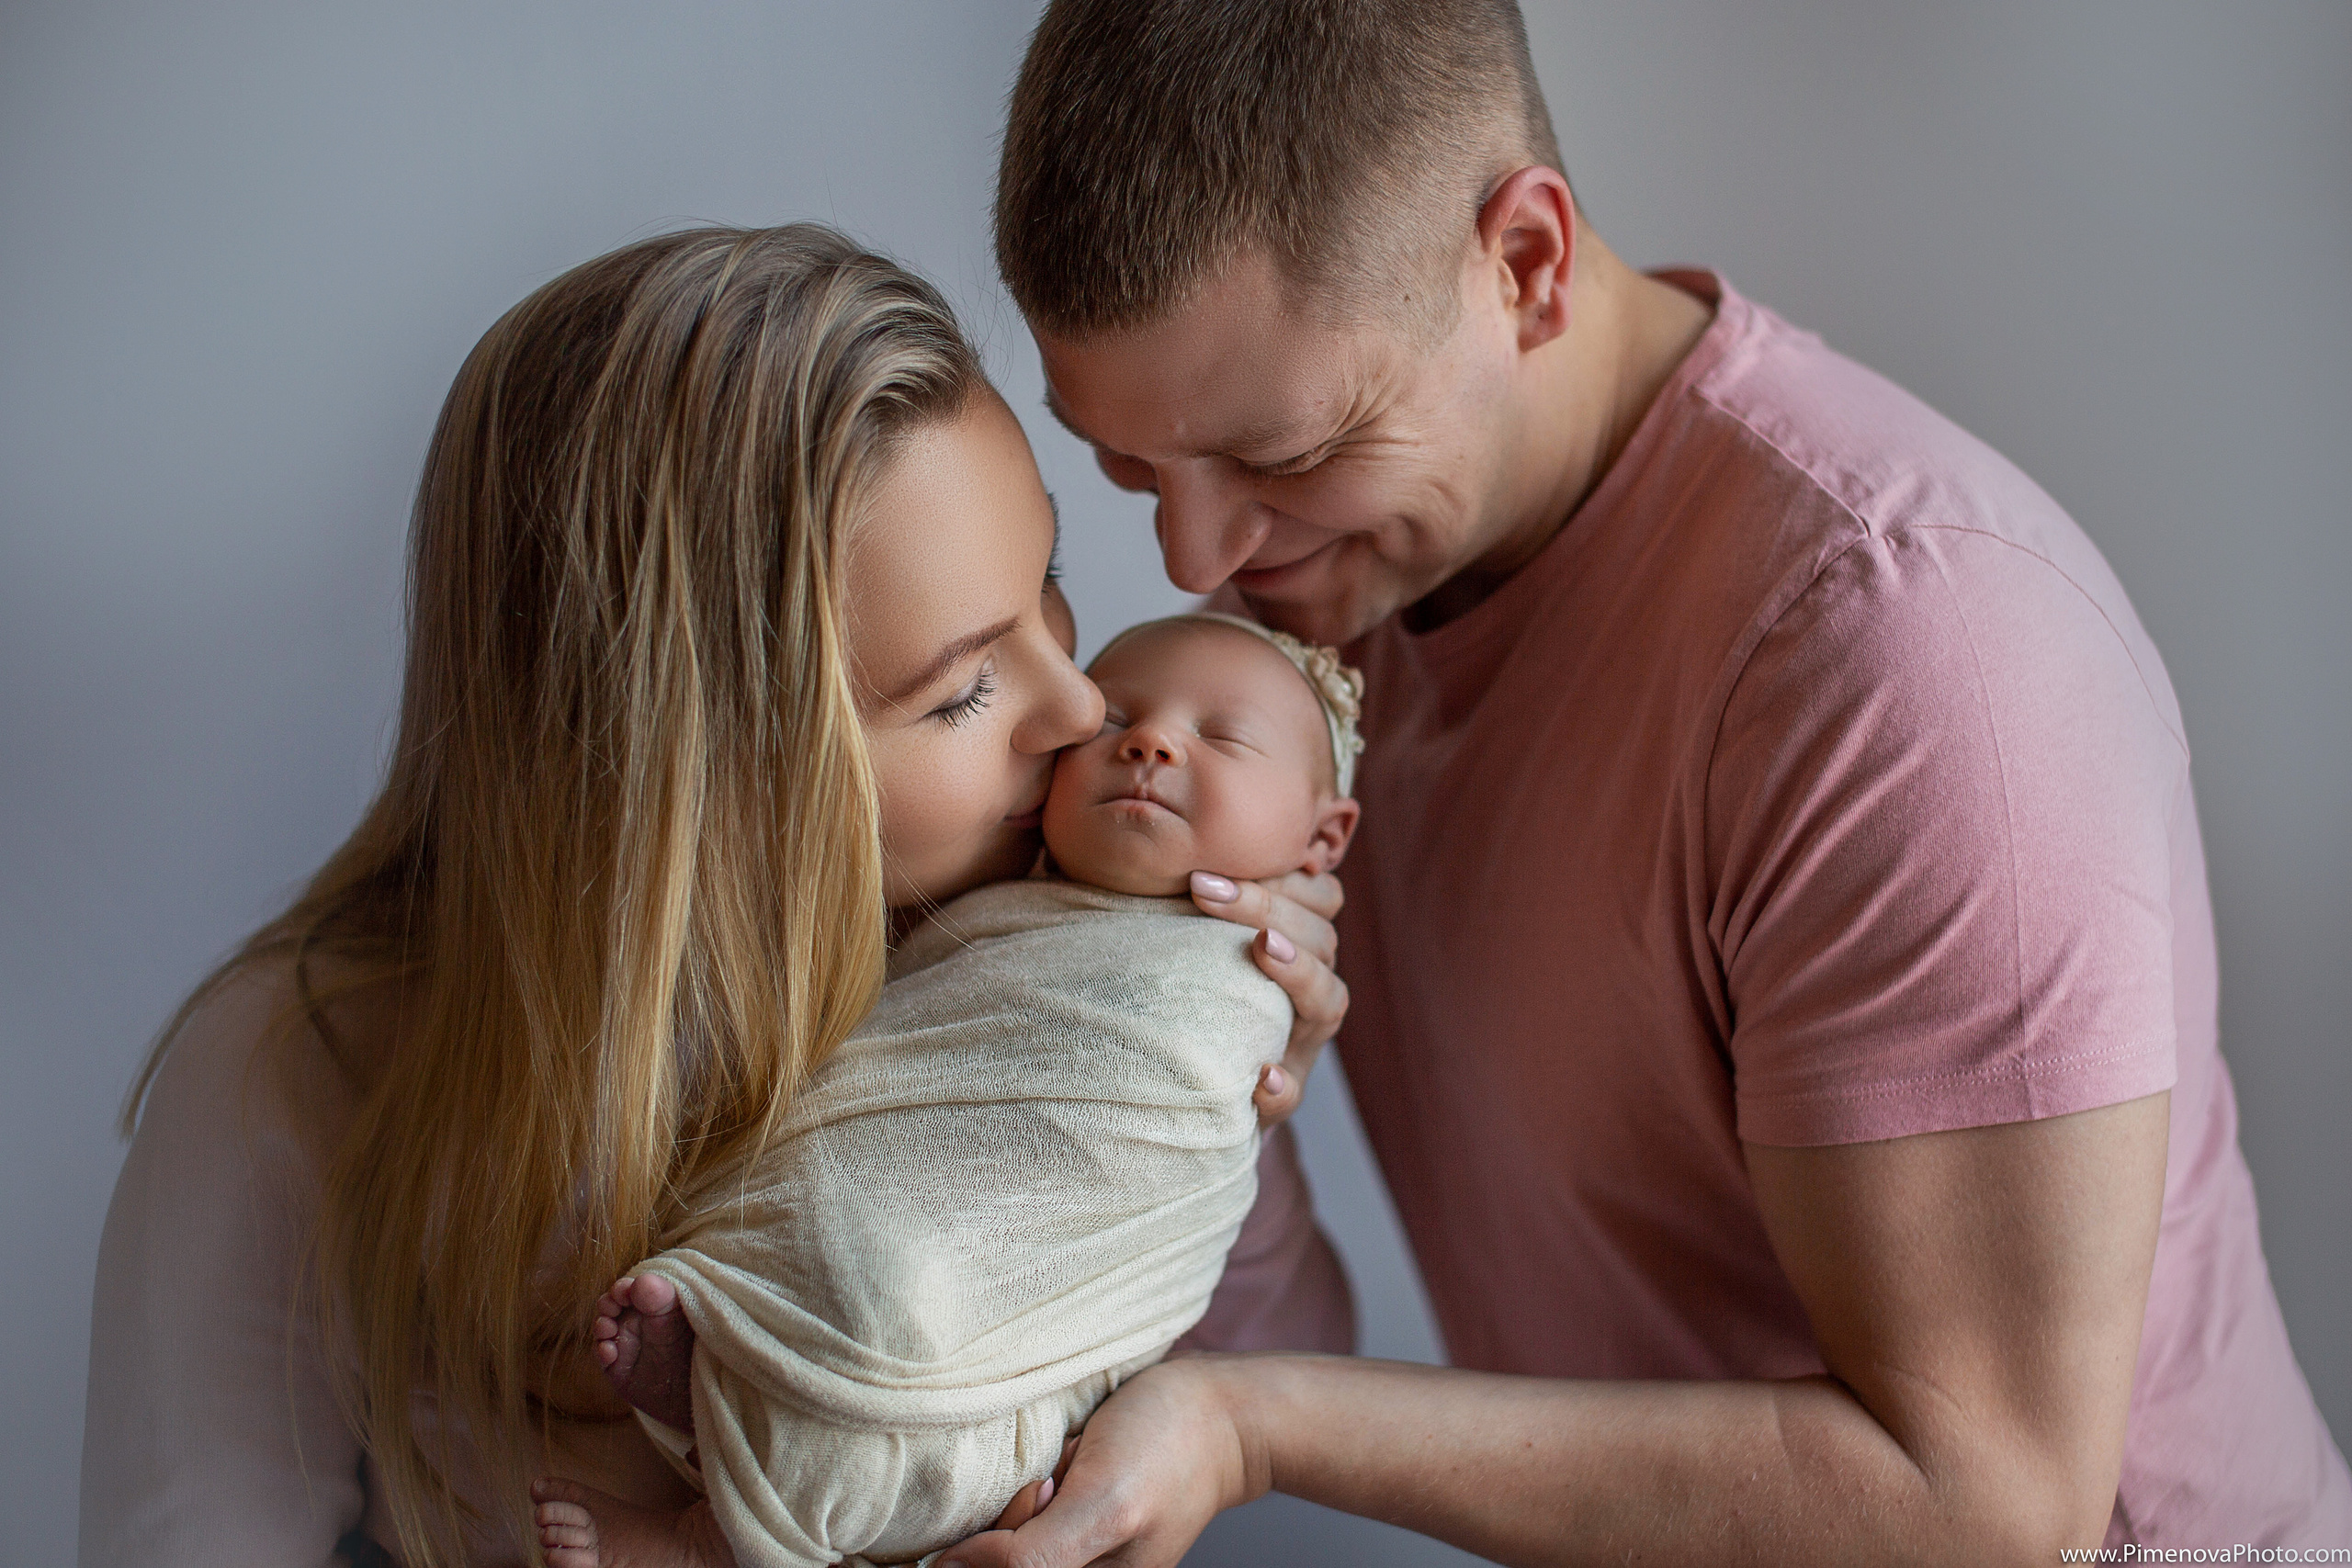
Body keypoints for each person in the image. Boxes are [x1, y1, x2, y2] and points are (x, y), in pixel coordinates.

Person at [946, 1, 2352, 1562]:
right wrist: (1188, 1055)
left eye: (1282, 458)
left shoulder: (1909, 649)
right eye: (1135, 472)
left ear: (1527, 265)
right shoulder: (1306, 639)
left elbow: (1986, 1504)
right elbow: (1264, 1299)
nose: (1195, 561)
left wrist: (1261, 1426)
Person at [78, 225, 1350, 1568]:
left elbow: (1286, 1405)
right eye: (964, 686)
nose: (1082, 703)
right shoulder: (298, 1071)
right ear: (699, 768)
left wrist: (1227, 1080)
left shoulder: (1046, 938)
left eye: (1050, 581)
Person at [531, 614, 1365, 1568]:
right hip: (881, 1216)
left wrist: (1259, 1106)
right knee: (834, 1236)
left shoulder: (1250, 983)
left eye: (1219, 737)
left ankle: (710, 1541)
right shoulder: (983, 910)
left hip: (1005, 1316)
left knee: (909, 1315)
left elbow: (1176, 1205)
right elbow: (910, 1076)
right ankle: (733, 1370)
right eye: (1114, 720)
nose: (1147, 741)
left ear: (1324, 834)